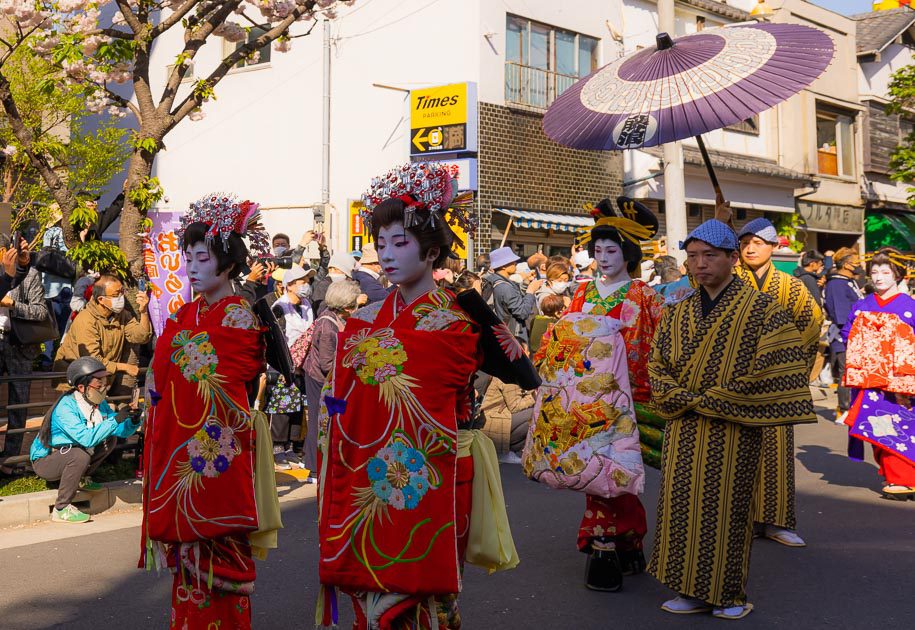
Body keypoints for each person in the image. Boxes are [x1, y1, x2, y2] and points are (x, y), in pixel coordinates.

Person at [318, 163, 518, 628]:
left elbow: (438, 383)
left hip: (434, 469)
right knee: (369, 584)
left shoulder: (457, 320)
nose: (386, 254)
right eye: (380, 243)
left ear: (431, 251)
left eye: (399, 242)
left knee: (428, 597)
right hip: (367, 465)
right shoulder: (366, 317)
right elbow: (339, 396)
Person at [648, 219, 816, 620]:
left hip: (733, 425)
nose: (700, 264)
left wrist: (714, 398)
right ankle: (687, 587)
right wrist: (680, 396)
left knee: (725, 507)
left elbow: (776, 363)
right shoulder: (677, 311)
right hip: (684, 424)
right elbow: (658, 365)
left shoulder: (763, 309)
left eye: (709, 256)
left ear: (730, 258)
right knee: (679, 504)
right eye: (693, 257)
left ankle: (728, 594)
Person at [141, 193, 277, 630]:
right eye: (189, 257)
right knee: (187, 572)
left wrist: (170, 363)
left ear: (229, 263)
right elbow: (161, 377)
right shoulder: (185, 315)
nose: (193, 267)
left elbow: (209, 374)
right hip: (180, 445)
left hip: (215, 449)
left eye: (204, 257)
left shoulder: (239, 316)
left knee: (216, 565)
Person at [524, 197, 663, 593]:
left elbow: (657, 347)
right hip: (583, 396)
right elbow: (565, 337)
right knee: (597, 474)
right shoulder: (582, 293)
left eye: (611, 250)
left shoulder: (645, 297)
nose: (602, 258)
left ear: (628, 253)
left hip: (630, 397)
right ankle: (615, 543)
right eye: (598, 250)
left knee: (613, 472)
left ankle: (612, 542)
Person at [735, 218, 824, 548]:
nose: (751, 248)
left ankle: (776, 521)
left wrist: (788, 369)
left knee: (776, 453)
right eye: (745, 242)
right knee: (734, 452)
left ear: (774, 247)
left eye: (758, 242)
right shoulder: (730, 281)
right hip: (735, 381)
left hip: (776, 383)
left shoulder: (792, 287)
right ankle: (738, 520)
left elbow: (811, 325)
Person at [841, 248, 915, 499]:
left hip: (902, 381)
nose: (879, 277)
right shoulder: (862, 305)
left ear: (898, 275)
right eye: (874, 272)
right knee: (876, 425)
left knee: (902, 424)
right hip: (869, 380)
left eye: (886, 272)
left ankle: (903, 478)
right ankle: (898, 477)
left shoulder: (909, 307)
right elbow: (847, 335)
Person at [30, 357, 142, 523]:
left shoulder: (99, 403)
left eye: (105, 381)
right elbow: (87, 438)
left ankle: (82, 478)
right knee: (79, 455)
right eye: (99, 383)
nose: (104, 386)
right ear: (81, 387)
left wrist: (132, 421)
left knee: (109, 438)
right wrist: (116, 419)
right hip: (46, 461)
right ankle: (61, 508)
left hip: (70, 452)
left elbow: (117, 430)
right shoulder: (66, 408)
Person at [54, 274, 151, 396]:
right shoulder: (86, 320)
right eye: (116, 295)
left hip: (99, 379)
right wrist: (125, 367)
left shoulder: (122, 315)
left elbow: (141, 336)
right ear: (101, 299)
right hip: (75, 381)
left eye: (122, 292)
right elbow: (93, 360)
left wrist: (144, 312)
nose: (121, 297)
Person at [301, 279, 359, 480]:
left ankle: (321, 464)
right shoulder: (328, 327)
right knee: (319, 421)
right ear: (345, 305)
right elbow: (327, 364)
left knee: (325, 421)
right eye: (353, 304)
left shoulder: (329, 316)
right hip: (321, 379)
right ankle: (315, 468)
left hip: (325, 377)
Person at [0, 234, 49, 461]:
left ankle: (10, 460)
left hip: (18, 344)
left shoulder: (29, 275)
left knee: (19, 405)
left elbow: (40, 311)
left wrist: (13, 305)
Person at [265, 264, 314, 470]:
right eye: (302, 282)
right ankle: (278, 449)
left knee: (296, 408)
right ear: (289, 286)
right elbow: (275, 340)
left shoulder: (306, 305)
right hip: (281, 365)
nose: (306, 286)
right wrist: (283, 366)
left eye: (307, 281)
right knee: (282, 407)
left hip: (301, 365)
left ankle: (291, 447)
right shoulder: (278, 307)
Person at [824, 247, 864, 419]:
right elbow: (842, 315)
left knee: (854, 371)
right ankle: (844, 409)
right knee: (845, 372)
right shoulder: (836, 284)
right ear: (847, 264)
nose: (859, 265)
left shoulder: (849, 281)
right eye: (856, 262)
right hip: (844, 334)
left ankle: (854, 407)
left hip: (857, 333)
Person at [484, 246, 541, 344]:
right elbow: (522, 313)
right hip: (512, 336)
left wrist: (526, 283)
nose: (515, 264)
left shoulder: (492, 280)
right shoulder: (505, 287)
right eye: (512, 262)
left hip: (500, 333)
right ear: (503, 266)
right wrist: (530, 291)